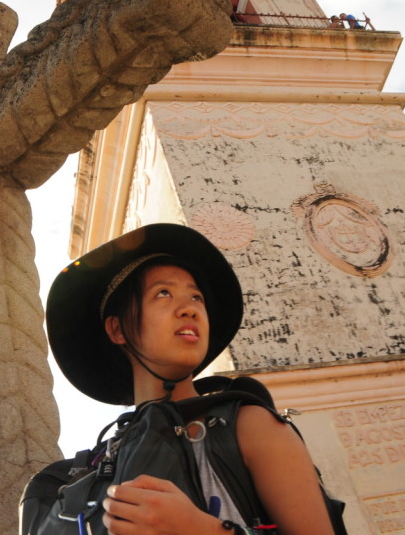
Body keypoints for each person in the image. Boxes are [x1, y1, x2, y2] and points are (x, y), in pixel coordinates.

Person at [46, 223, 337, 535]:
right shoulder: (98, 465)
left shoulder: (249, 424)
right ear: (117, 329)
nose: (190, 309)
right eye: (163, 293)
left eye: (197, 297)